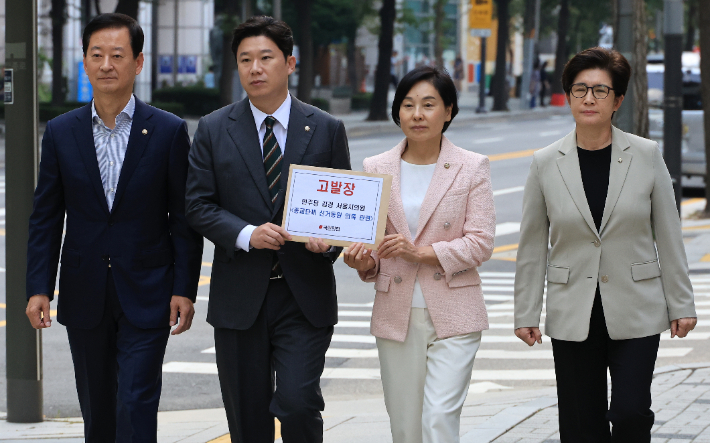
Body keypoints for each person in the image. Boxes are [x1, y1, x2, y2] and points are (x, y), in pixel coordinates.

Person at [25, 13, 203, 442]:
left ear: (138, 62)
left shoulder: (167, 130)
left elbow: (183, 219)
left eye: (118, 55)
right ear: (85, 61)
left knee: (136, 401)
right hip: (84, 288)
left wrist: (184, 288)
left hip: (148, 290)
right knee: (98, 407)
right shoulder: (61, 132)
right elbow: (46, 216)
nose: (106, 64)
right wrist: (38, 287)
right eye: (97, 55)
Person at [514, 47, 697, 441]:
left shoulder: (645, 155)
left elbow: (669, 235)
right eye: (579, 90)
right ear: (569, 97)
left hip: (637, 306)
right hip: (572, 310)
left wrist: (682, 303)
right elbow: (531, 245)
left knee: (631, 412)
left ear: (617, 100)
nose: (589, 99)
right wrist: (525, 312)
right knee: (581, 425)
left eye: (600, 90)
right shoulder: (545, 162)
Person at [184, 16, 351, 443]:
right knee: (247, 420)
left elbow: (343, 211)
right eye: (245, 60)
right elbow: (197, 206)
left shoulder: (326, 128)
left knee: (298, 402)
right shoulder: (214, 128)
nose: (255, 68)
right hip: (240, 296)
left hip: (303, 296)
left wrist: (328, 244)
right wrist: (246, 234)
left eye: (265, 58)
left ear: (290, 63)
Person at [343, 66, 495, 443]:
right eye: (408, 105)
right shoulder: (375, 167)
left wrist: (422, 253)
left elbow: (481, 242)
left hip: (455, 310)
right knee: (406, 427)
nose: (417, 114)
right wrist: (364, 261)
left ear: (449, 110)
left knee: (439, 417)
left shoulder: (472, 166)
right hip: (397, 311)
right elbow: (373, 245)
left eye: (429, 104)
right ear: (397, 112)